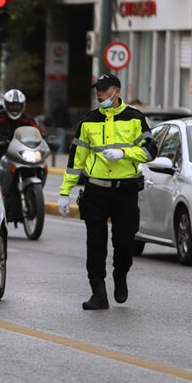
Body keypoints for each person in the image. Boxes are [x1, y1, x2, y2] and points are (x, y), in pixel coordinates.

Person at [58, 73, 157, 310]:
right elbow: (76, 161)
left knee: (124, 242)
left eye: (104, 89)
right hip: (96, 191)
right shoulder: (88, 121)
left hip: (125, 191)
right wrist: (64, 192)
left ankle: (120, 275)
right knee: (95, 243)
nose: (99, 94)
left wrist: (124, 153)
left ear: (116, 91)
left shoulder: (135, 118)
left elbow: (150, 151)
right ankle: (98, 292)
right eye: (97, 90)